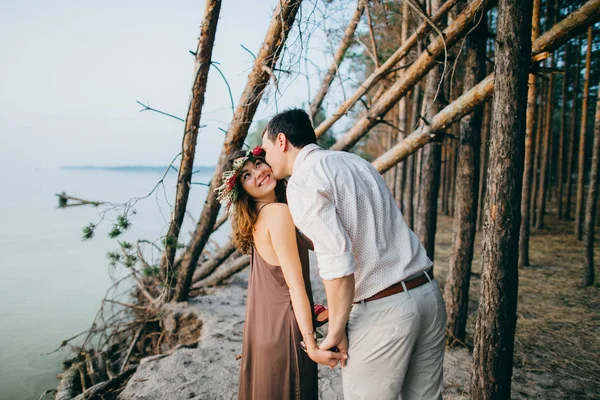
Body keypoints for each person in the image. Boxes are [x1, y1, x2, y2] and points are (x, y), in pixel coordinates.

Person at [262, 109, 447, 400]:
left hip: (384, 311)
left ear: (281, 141)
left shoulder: (303, 182)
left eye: (267, 148)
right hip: (428, 294)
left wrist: (335, 330)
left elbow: (338, 262)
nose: (266, 159)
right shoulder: (354, 162)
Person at [216, 147, 346, 400]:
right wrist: (311, 344)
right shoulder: (277, 213)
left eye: (257, 164)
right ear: (243, 192)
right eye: (246, 176)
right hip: (286, 332)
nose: (258, 173)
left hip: (262, 331)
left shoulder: (261, 218)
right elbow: (294, 286)